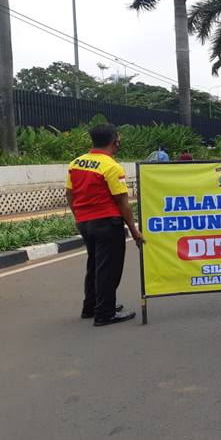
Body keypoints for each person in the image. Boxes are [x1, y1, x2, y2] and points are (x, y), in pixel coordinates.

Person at [66, 124, 144, 326]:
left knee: (94, 265)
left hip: (85, 222)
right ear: (114, 142)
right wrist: (134, 231)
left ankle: (91, 307)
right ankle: (105, 313)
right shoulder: (111, 166)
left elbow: (69, 194)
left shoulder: (76, 163)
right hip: (107, 223)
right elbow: (122, 202)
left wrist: (79, 217)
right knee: (108, 269)